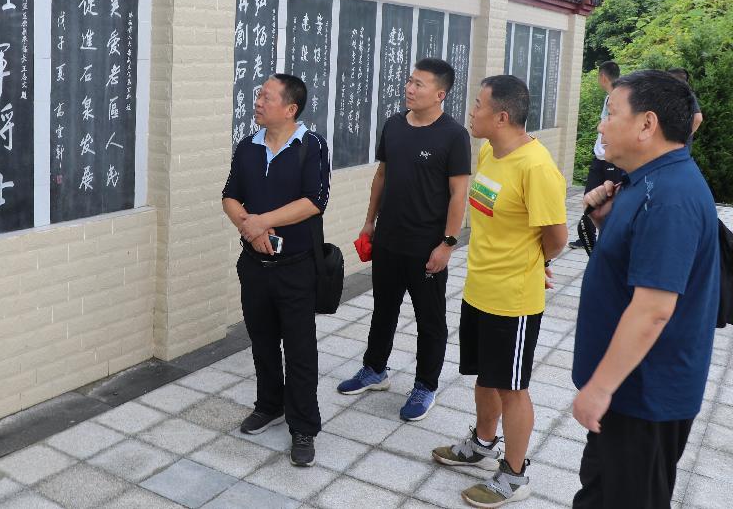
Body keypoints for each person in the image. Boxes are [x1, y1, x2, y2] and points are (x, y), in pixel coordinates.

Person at [571, 70, 718, 508]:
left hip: (645, 395)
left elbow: (653, 309)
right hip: (628, 390)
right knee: (598, 494)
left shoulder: (669, 197)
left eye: (611, 113)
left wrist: (600, 388)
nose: (601, 125)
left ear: (646, 124)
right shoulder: (644, 180)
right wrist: (605, 222)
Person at [432, 75, 568, 508]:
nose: (471, 112)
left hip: (513, 299)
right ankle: (483, 443)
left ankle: (514, 474)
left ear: (502, 116)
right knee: (485, 375)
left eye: (478, 105)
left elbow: (557, 237)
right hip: (479, 288)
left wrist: (536, 263)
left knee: (512, 386)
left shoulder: (536, 167)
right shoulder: (490, 151)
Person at [337, 58, 470, 422]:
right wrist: (369, 222)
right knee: (383, 309)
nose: (410, 89)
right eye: (410, 81)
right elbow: (382, 175)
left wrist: (448, 243)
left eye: (419, 84)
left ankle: (425, 385)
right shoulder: (394, 125)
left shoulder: (454, 135)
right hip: (388, 239)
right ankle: (374, 370)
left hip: (426, 246)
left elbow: (458, 193)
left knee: (430, 320)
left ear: (440, 94)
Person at [222, 73, 330, 467]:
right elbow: (230, 196)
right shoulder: (247, 147)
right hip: (254, 264)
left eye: (266, 97)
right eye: (258, 95)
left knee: (299, 348)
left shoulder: (311, 146)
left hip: (296, 267)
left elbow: (314, 201)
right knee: (262, 340)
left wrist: (261, 221)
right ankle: (270, 404)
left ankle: (303, 425)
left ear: (290, 108)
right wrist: (249, 229)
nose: (258, 102)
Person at [569, 61, 625, 249]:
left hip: (610, 159)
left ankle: (605, 239)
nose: (601, 127)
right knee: (590, 197)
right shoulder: (609, 97)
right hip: (599, 156)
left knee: (608, 200)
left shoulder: (618, 99)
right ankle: (587, 235)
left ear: (602, 77)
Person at [666, 67, 704, 140]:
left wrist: (685, 136)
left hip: (678, 143)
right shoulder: (673, 94)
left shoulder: (687, 95)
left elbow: (698, 118)